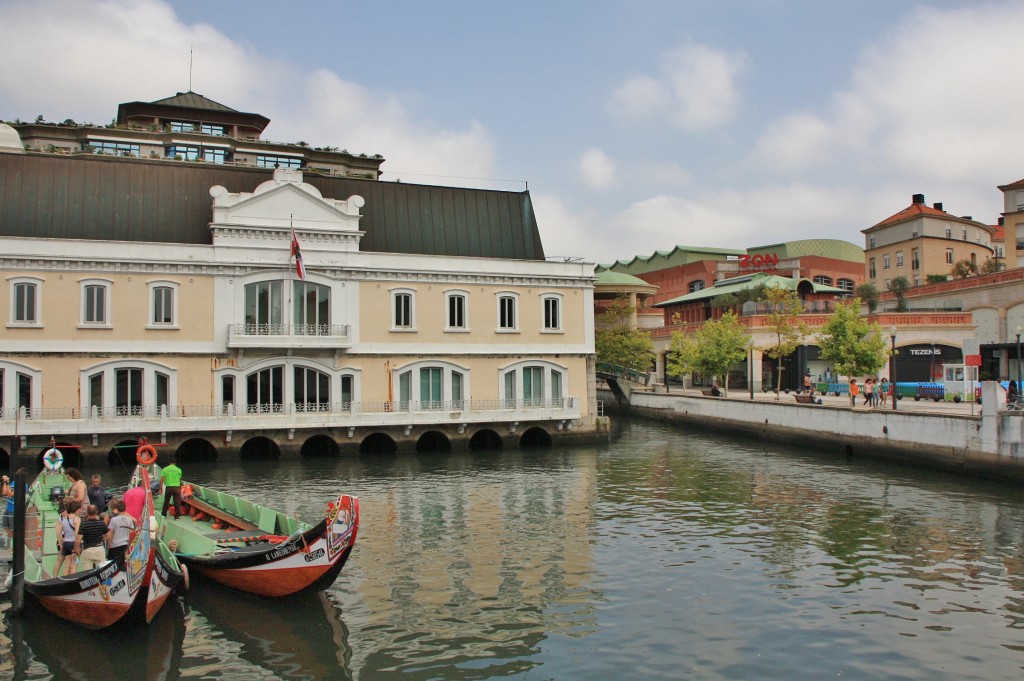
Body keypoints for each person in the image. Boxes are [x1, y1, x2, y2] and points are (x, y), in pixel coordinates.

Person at [53, 499, 82, 576]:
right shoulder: (77, 519)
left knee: (66, 565)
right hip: (73, 543)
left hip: (66, 542)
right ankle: (72, 582)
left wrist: (60, 544)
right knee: (74, 565)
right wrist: (76, 548)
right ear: (76, 509)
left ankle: (62, 580)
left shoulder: (63, 518)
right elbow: (77, 534)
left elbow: (58, 532)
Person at [76, 504, 108, 572]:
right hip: (99, 549)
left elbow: (78, 540)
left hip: (88, 550)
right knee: (102, 572)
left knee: (87, 572)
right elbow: (108, 535)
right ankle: (102, 583)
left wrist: (76, 549)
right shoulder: (101, 523)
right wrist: (101, 538)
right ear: (97, 512)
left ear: (87, 512)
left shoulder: (84, 525)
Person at [106, 499, 135, 570]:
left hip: (114, 545)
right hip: (124, 544)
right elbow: (131, 532)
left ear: (117, 509)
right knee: (122, 564)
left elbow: (111, 534)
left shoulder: (113, 520)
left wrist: (108, 545)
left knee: (111, 565)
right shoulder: (129, 520)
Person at [2, 468, 28, 537]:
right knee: (5, 525)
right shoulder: (14, 483)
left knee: (14, 528)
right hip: (8, 508)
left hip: (14, 509)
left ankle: (16, 543)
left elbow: (11, 494)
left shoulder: (23, 485)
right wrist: (5, 482)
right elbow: (5, 492)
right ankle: (13, 541)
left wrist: (7, 483)